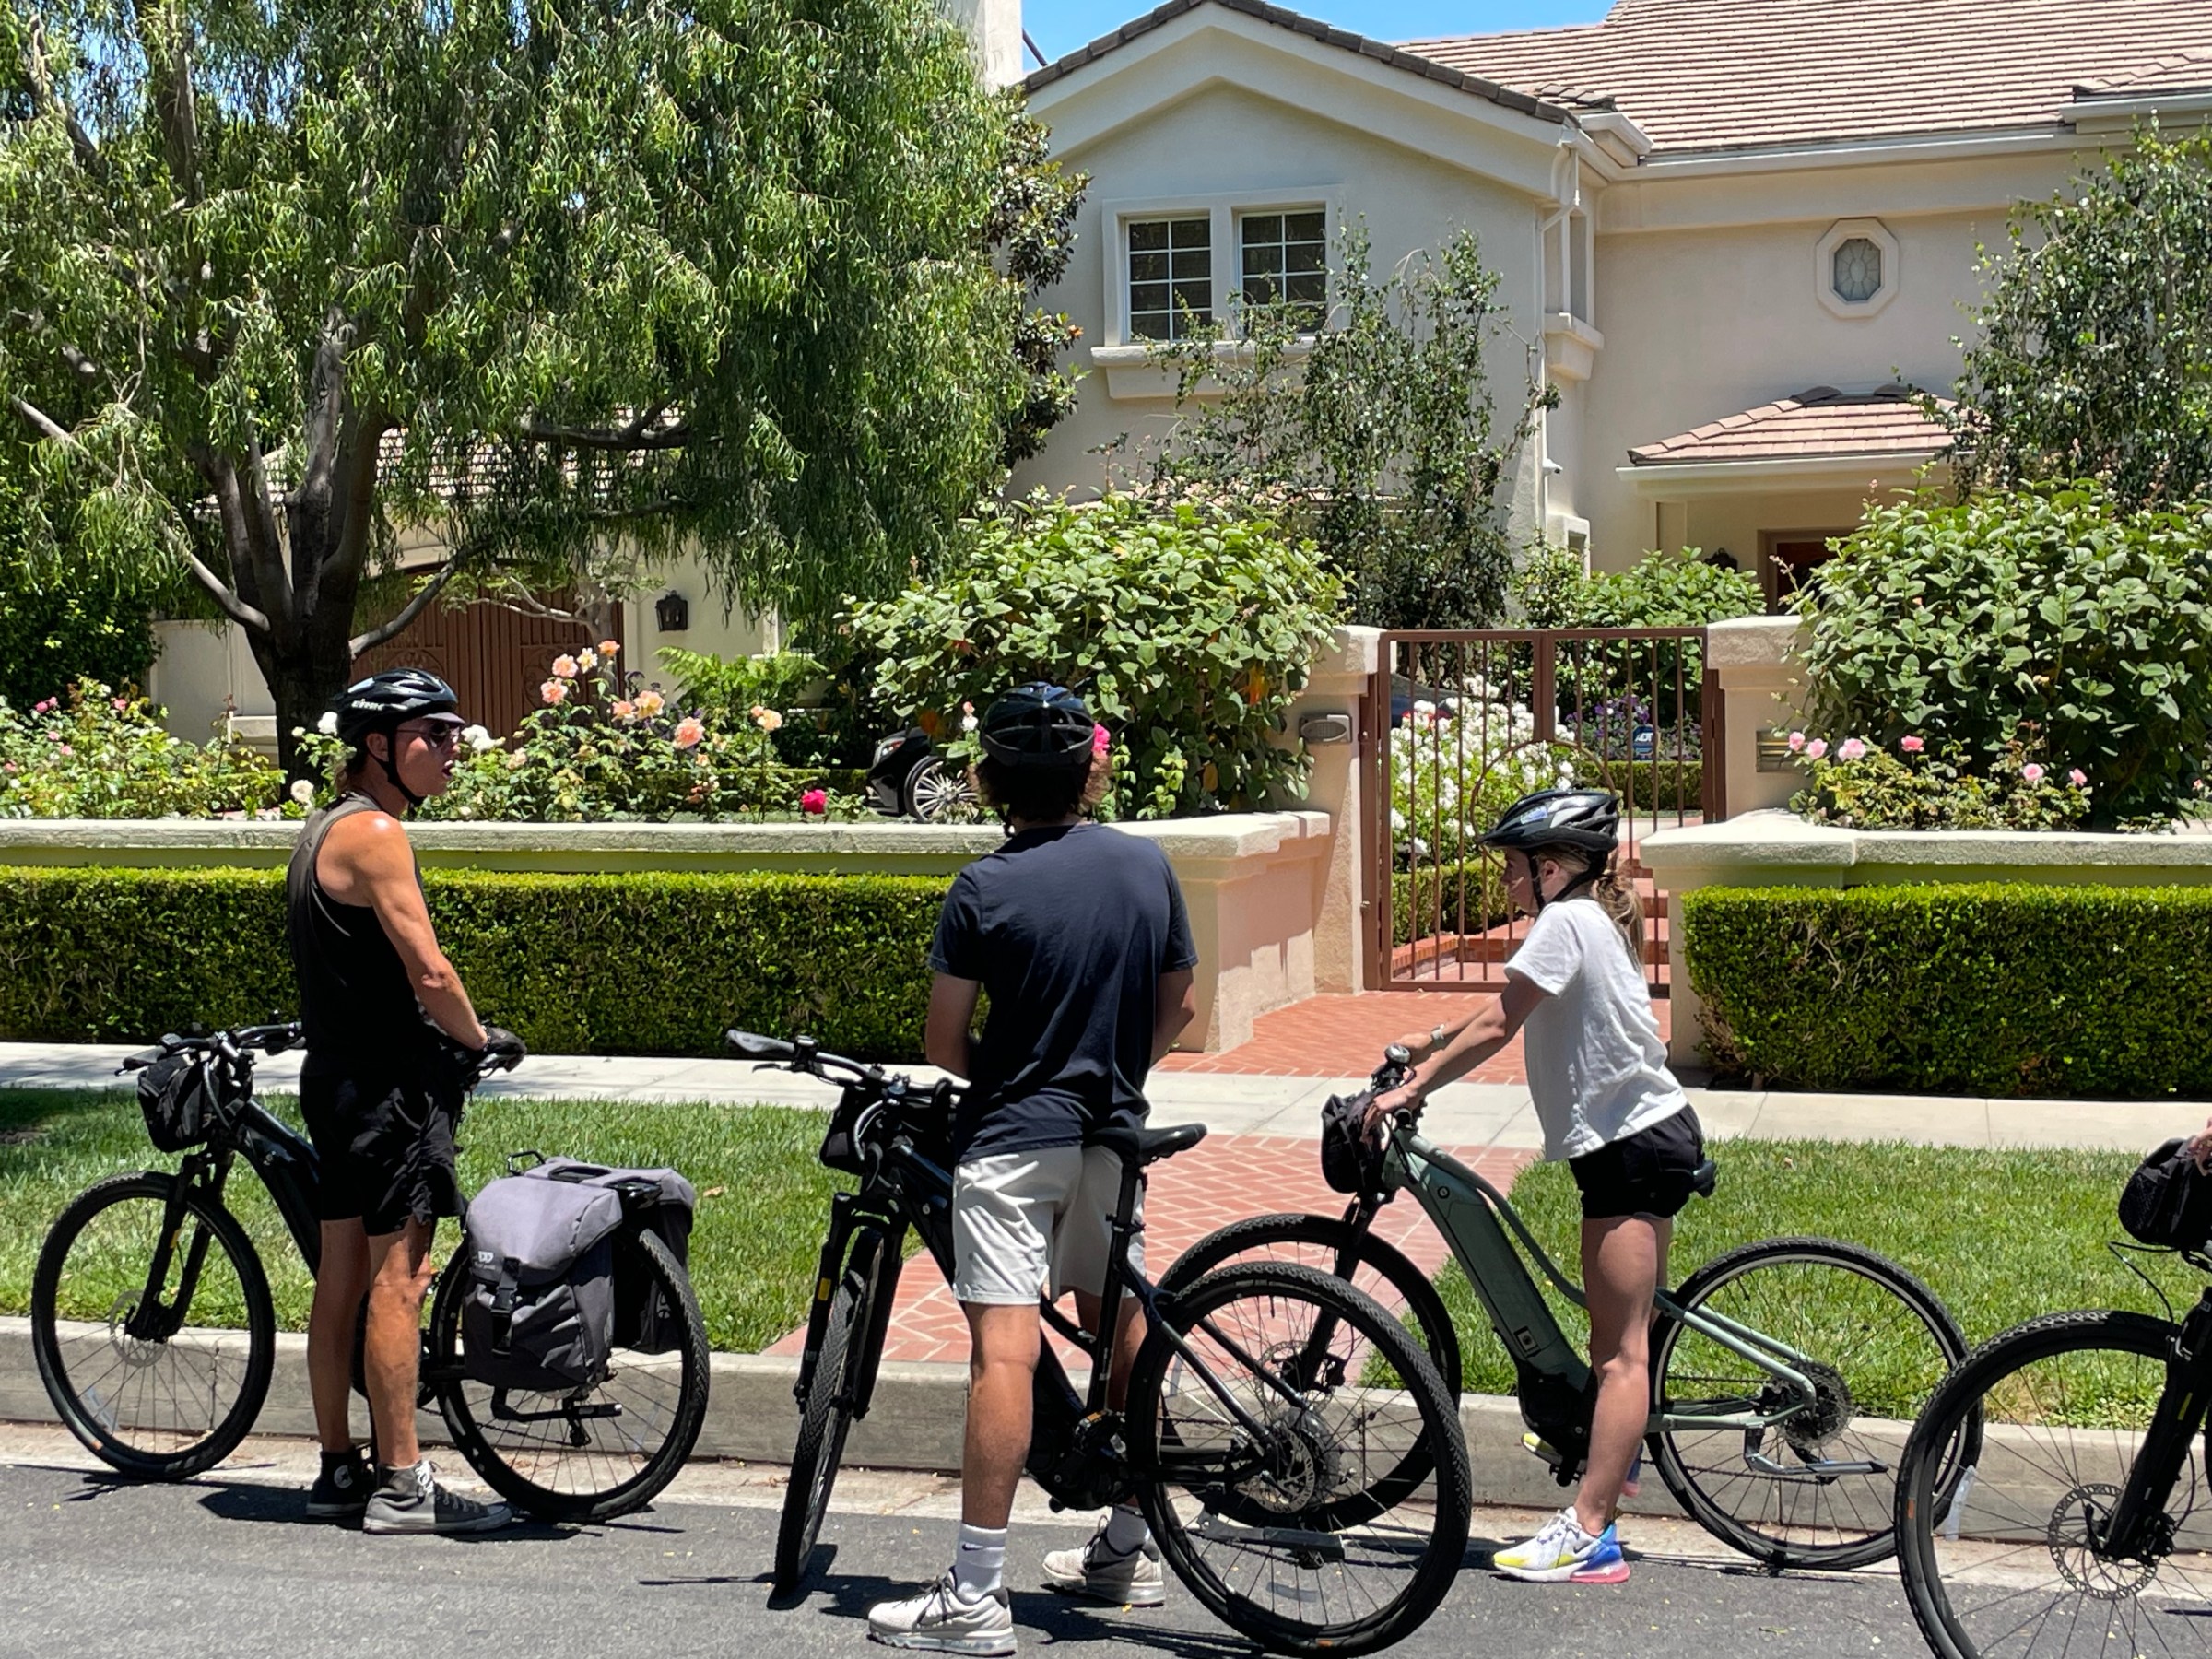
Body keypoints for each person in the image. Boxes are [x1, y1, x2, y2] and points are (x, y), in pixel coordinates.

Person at [866, 683, 1198, 1655]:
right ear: (1089, 770)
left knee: (1002, 1351)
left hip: (1014, 1138)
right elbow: (1179, 1004)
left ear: (986, 780)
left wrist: (1018, 1077)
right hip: (1114, 1135)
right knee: (1118, 1319)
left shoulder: (983, 887)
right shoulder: (1147, 867)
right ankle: (1128, 1542)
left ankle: (975, 1594)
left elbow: (941, 1039)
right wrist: (1112, 1070)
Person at [1369, 788, 1699, 1586]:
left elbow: (1501, 1022)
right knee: (1613, 1340)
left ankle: (1590, 1534)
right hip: (1639, 1139)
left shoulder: (1567, 920)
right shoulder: (1583, 919)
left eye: (1514, 867)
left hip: (1631, 1148)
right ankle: (1608, 1482)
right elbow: (1510, 1002)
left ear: (1551, 868)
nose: (1508, 881)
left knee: (1623, 1355)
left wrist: (1415, 1090)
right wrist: (1428, 1040)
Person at [286, 668, 525, 1535]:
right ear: (379, 747)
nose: (453, 749)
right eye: (435, 736)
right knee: (400, 1283)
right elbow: (429, 970)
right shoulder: (381, 833)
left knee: (341, 1278)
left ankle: (337, 1468)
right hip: (387, 1092)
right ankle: (402, 1486)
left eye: (455, 733)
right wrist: (476, 1038)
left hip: (336, 1082)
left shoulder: (323, 830)